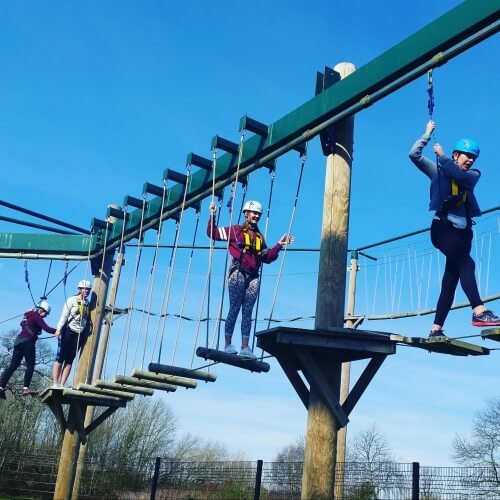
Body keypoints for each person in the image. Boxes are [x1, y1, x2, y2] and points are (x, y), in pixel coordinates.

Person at [409, 120, 500, 337]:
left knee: (450, 280)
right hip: (443, 229)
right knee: (467, 263)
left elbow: (460, 177)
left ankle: (436, 329)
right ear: (455, 155)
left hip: (463, 234)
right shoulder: (438, 172)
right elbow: (414, 155)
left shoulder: (473, 175)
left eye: (473, 157)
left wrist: (443, 158)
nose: (470, 160)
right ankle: (478, 310)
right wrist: (427, 134)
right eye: (466, 155)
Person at [207, 199, 294, 359]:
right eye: (254, 213)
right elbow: (213, 233)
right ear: (246, 214)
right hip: (238, 272)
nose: (256, 216)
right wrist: (213, 214)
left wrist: (279, 245)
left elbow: (266, 257)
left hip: (253, 276)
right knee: (235, 307)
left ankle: (245, 347)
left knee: (247, 312)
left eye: (258, 214)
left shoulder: (259, 237)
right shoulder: (235, 231)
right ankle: (227, 344)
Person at [0, 300, 56, 399]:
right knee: (30, 365)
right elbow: (47, 329)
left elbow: (22, 323)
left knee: (13, 366)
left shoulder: (28, 316)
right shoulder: (37, 317)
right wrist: (59, 331)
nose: (45, 316)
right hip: (28, 343)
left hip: (18, 342)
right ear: (41, 310)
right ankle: (26, 388)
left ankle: (1, 387)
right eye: (45, 313)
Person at [52, 279, 92, 387]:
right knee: (61, 357)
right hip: (68, 330)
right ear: (79, 289)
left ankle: (62, 384)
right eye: (84, 289)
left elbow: (87, 318)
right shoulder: (72, 300)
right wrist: (58, 329)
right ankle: (55, 383)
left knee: (70, 360)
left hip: (79, 333)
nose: (86, 291)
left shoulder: (87, 303)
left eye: (88, 289)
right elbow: (64, 315)